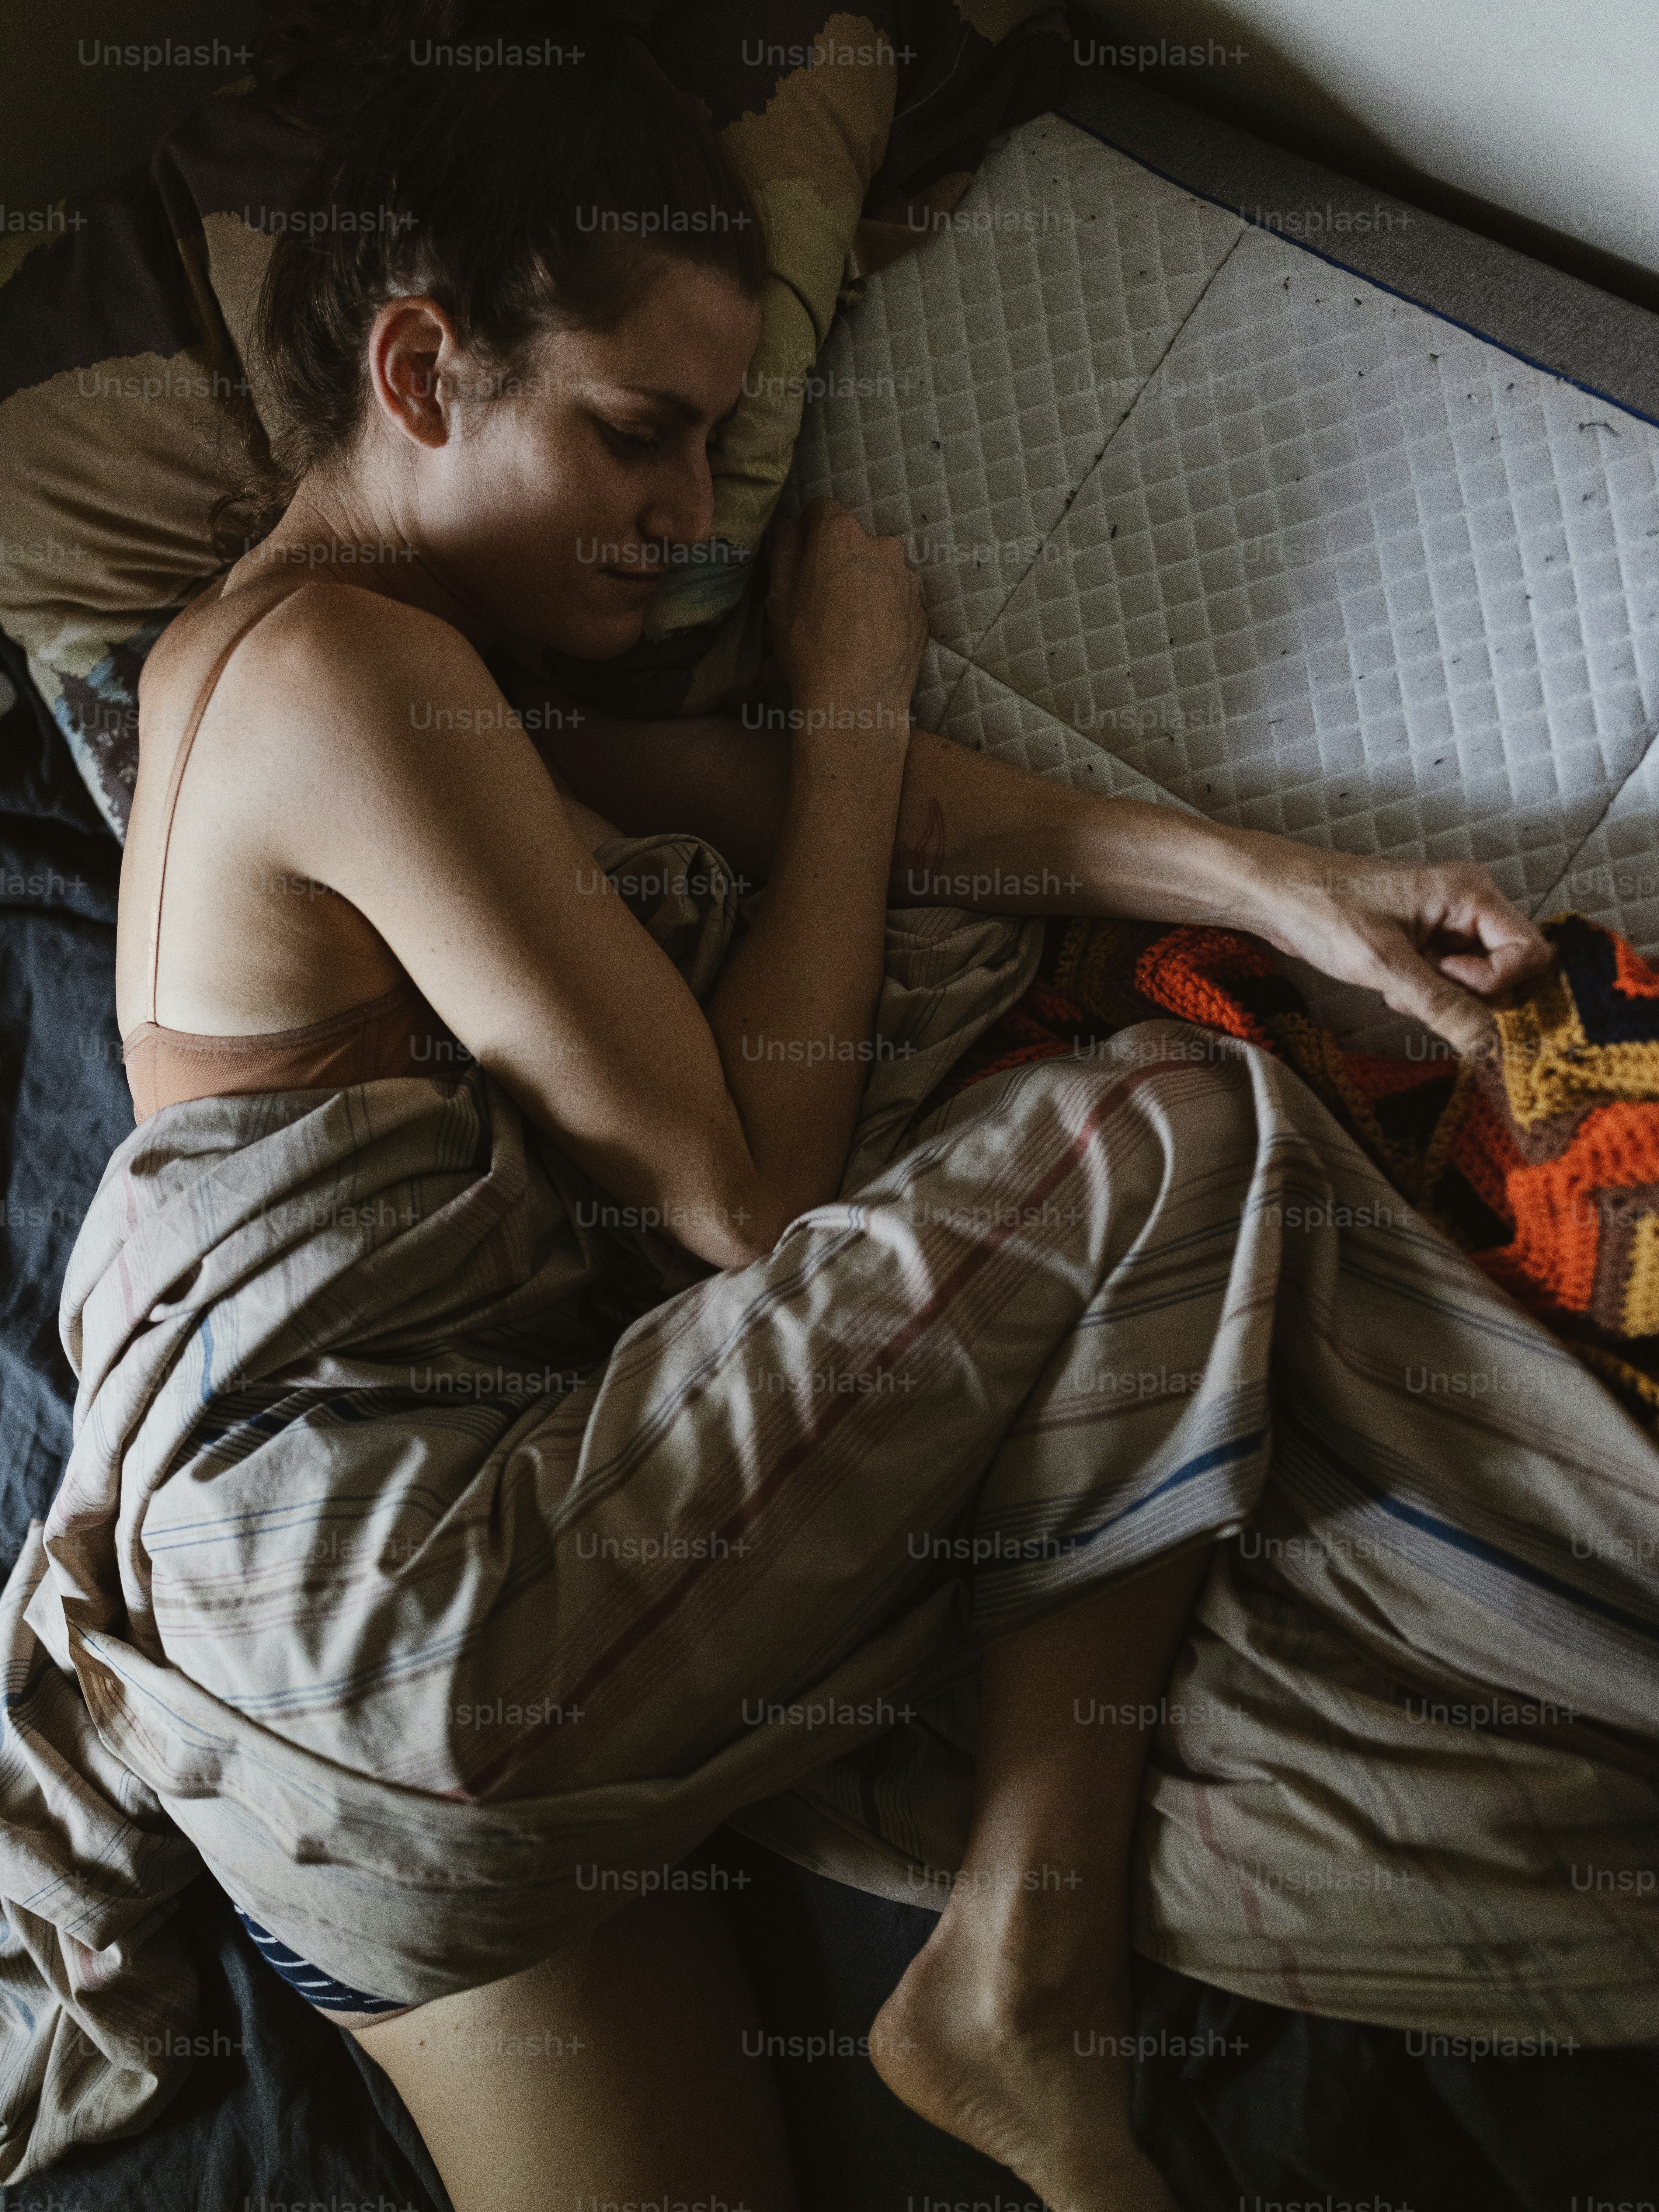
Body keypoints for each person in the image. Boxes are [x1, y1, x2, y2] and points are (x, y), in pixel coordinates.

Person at [112, 10, 1549, 2209]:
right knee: (1183, 1122)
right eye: (634, 440)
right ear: (421, 374)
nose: (687, 524)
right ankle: (1019, 1979)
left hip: (308, 1768)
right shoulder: (340, 679)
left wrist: (1288, 887)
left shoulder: (307, 670)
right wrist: (859, 684)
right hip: (395, 1614)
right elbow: (744, 1185)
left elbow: (829, 816)